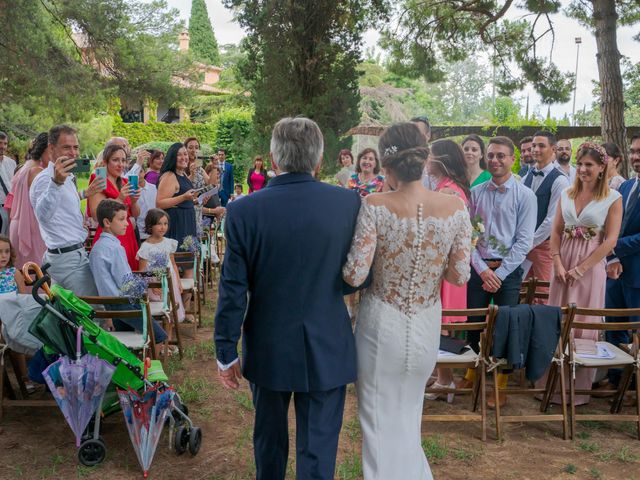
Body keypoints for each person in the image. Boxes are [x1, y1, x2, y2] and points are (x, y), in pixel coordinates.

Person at [214, 117, 361, 480]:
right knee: (319, 446)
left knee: (268, 439)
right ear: (319, 160)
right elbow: (358, 276)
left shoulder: (244, 210)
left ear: (273, 160)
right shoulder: (349, 204)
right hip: (327, 338)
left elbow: (233, 287)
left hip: (268, 341)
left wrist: (225, 350)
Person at [342, 122, 470, 480]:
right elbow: (459, 275)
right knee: (409, 416)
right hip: (426, 322)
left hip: (381, 323)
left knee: (378, 422)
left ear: (386, 163)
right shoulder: (455, 207)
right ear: (425, 159)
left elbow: (354, 275)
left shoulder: (375, 205)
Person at [460, 136, 537, 408]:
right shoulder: (475, 194)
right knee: (474, 323)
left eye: (501, 156)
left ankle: (500, 385)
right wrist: (482, 270)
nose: (495, 160)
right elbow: (467, 237)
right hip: (479, 268)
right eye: (491, 155)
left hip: (509, 271)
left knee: (506, 326)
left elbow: (524, 241)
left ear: (512, 159)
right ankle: (471, 373)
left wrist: (500, 274)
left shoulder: (525, 196)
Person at [545, 142, 622, 405]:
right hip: (562, 262)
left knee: (582, 321)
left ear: (602, 168)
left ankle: (577, 390)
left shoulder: (613, 198)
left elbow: (610, 241)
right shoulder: (566, 193)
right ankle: (551, 384)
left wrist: (581, 269)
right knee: (557, 319)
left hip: (590, 267)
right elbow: (555, 231)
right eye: (581, 164)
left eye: (590, 165)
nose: (583, 169)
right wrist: (557, 262)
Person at [420, 139, 471, 400]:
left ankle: (446, 380)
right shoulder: (448, 187)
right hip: (447, 267)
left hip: (446, 269)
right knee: (440, 322)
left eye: (429, 156)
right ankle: (439, 374)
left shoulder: (449, 193)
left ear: (441, 161)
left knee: (441, 324)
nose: (426, 161)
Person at [30, 125, 104, 296]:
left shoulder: (67, 175)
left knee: (70, 317)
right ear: (51, 148)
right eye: (67, 147)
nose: (73, 153)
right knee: (93, 311)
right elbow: (43, 215)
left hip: (70, 255)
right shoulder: (45, 179)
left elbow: (62, 204)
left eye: (76, 147)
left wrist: (85, 193)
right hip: (68, 259)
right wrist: (56, 183)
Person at [89, 200, 167, 344]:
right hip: (123, 304)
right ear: (107, 222)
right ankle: (157, 357)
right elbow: (126, 282)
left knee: (135, 330)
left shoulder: (98, 246)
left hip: (109, 304)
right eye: (121, 219)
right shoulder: (114, 248)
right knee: (160, 335)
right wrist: (145, 288)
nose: (127, 223)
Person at [604, 134, 640, 392]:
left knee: (637, 332)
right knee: (613, 328)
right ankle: (617, 382)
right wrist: (612, 256)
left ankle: (635, 387)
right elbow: (610, 225)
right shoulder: (625, 187)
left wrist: (615, 246)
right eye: (633, 151)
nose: (636, 157)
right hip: (615, 272)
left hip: (638, 274)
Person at [522, 131, 571, 297]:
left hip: (545, 247)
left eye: (541, 145)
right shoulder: (526, 177)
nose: (535, 149)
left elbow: (552, 220)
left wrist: (530, 242)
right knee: (522, 292)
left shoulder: (560, 180)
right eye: (534, 145)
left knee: (543, 293)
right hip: (524, 245)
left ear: (553, 149)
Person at [87, 144, 141, 270]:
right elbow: (96, 215)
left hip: (127, 232)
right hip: (109, 233)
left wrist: (133, 201)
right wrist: (121, 198)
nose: (120, 164)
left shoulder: (125, 182)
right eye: (115, 160)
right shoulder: (99, 180)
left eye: (123, 160)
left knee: (129, 273)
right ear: (106, 162)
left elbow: (136, 214)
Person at [156, 143, 197, 278]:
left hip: (188, 223)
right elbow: (160, 203)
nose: (183, 157)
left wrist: (195, 199)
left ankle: (187, 298)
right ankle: (176, 297)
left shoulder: (183, 174)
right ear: (173, 157)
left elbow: (183, 198)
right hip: (177, 224)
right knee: (176, 264)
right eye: (179, 154)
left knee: (189, 264)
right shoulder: (169, 175)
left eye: (185, 154)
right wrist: (184, 197)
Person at [137, 208, 185, 323]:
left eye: (165, 224)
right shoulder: (145, 247)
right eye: (159, 224)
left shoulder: (169, 243)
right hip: (153, 282)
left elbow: (173, 263)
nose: (163, 227)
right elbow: (142, 272)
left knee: (171, 304)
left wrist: (178, 281)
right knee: (160, 306)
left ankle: (169, 330)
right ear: (150, 226)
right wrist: (153, 286)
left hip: (170, 279)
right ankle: (158, 329)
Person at [8, 133, 48, 268]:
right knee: (35, 275)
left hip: (17, 225)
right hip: (31, 228)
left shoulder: (23, 167)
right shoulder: (37, 171)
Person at [134, 162, 158, 242]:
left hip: (154, 229)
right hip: (139, 231)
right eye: (135, 172)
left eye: (140, 171)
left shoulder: (154, 188)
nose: (138, 174)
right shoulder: (131, 191)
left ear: (144, 172)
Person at [0, 131, 17, 235]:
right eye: (0, 143)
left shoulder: (12, 163)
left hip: (12, 208)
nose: (2, 146)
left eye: (5, 143)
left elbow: (15, 186)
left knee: (10, 239)